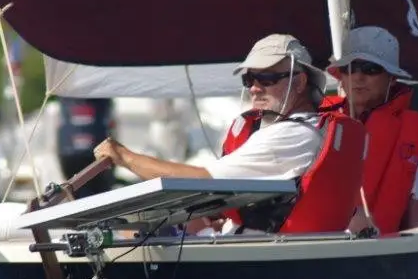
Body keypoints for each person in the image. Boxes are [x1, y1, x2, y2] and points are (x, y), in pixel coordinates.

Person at [94, 34, 364, 234]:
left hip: (262, 258)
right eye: (249, 80)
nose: (255, 88)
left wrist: (124, 156)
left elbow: (201, 181)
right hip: (264, 251)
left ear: (300, 81)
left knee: (134, 230)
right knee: (165, 223)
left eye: (267, 79)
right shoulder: (305, 129)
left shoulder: (293, 135)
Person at [321, 26, 418, 234]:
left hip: (376, 250)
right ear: (341, 75)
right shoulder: (317, 121)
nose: (358, 77)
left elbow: (417, 211)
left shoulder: (413, 134)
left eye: (371, 69)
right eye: (350, 68)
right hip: (309, 244)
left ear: (392, 78)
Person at [57, 97, 117, 197]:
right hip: (99, 154)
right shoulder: (103, 98)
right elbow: (112, 125)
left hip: (70, 154)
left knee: (77, 193)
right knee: (100, 195)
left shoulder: (66, 97)